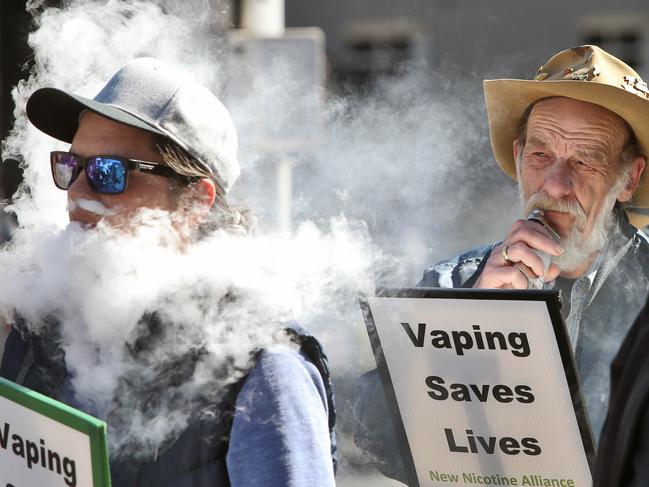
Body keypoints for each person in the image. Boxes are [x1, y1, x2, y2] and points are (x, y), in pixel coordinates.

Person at [0, 58, 336, 486]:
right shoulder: (45, 326)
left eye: (109, 172)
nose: (78, 191)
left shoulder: (260, 363)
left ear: (195, 202)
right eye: (71, 166)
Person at [355, 45, 649, 482]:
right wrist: (469, 324)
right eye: (540, 156)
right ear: (517, 158)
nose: (555, 184)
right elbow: (372, 430)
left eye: (584, 160)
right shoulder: (454, 282)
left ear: (629, 179)